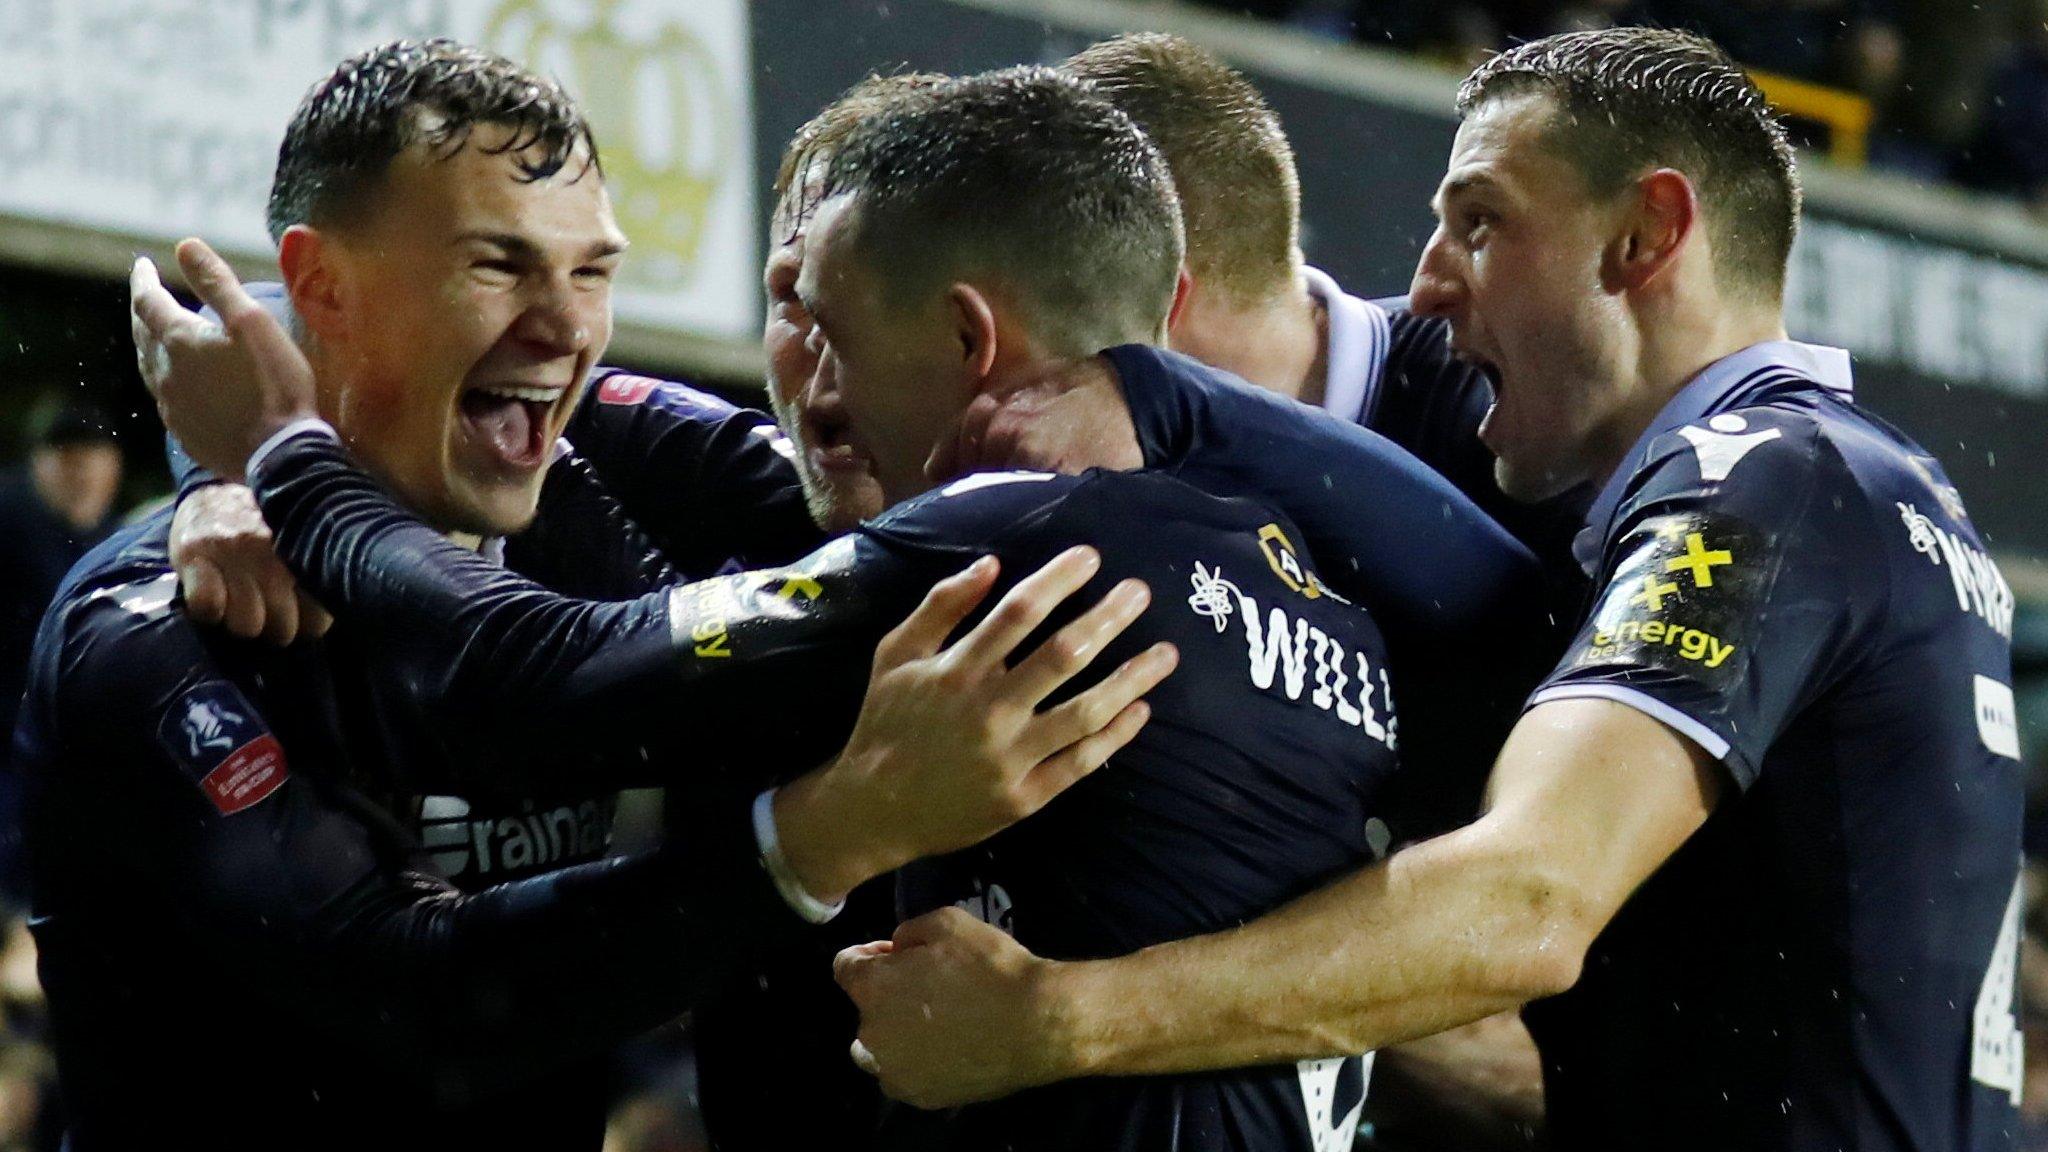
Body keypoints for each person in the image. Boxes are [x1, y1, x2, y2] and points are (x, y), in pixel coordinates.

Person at [144, 65, 1547, 1152]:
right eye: (782, 312)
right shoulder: (1317, 580)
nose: (814, 379)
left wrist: (288, 460)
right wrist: (227, 466)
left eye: (840, 318)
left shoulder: (995, 549)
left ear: (964, 333)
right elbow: (394, 357)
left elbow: (523, 678)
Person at [837, 28, 2026, 1152]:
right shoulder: (1858, 483)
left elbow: (1526, 898)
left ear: (1644, 236)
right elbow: (1497, 620)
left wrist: (1059, 1021)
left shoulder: (1758, 478)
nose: (1428, 283)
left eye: (1479, 223)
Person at [25, 40, 1163, 1152]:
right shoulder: (165, 630)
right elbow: (432, 1004)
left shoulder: (582, 459)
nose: (565, 327)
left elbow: (845, 493)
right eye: (496, 264)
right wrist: (827, 834)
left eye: (592, 271)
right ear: (325, 285)